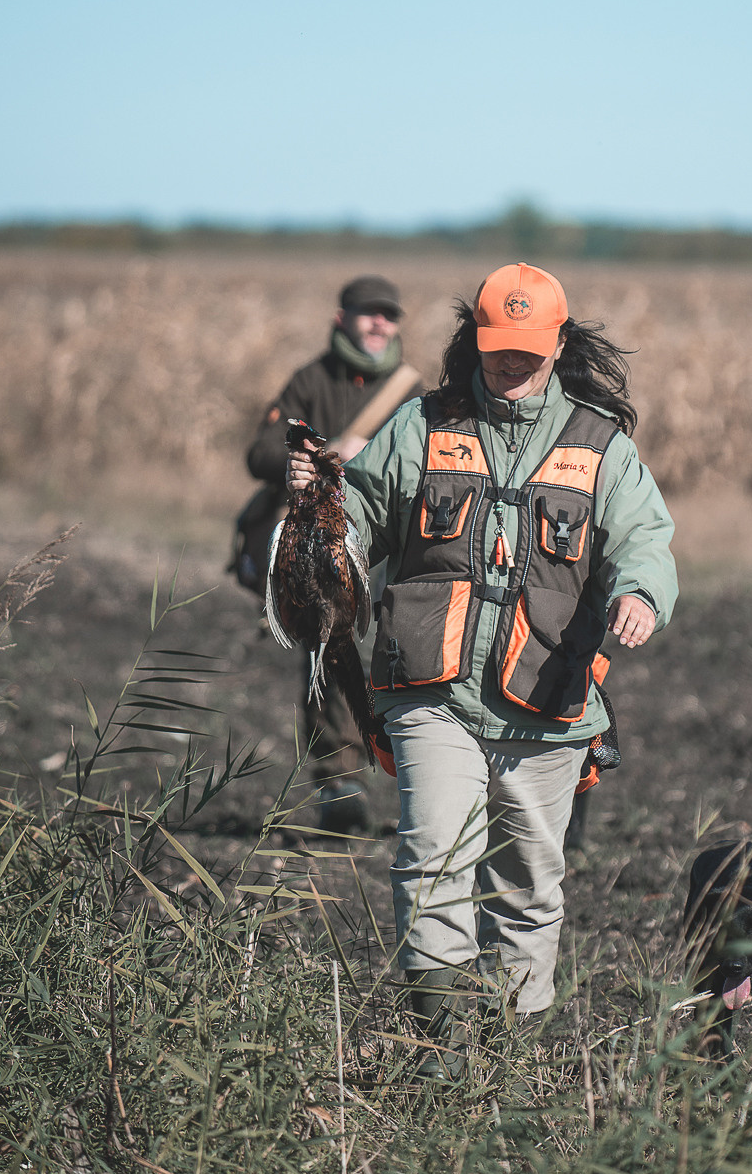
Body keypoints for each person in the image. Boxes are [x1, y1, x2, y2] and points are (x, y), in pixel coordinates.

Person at [287, 262, 678, 1078]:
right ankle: (441, 1052)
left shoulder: (599, 444)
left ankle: (503, 1061)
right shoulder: (421, 426)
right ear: (477, 340)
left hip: (548, 700)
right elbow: (356, 512)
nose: (510, 363)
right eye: (498, 347)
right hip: (431, 694)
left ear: (558, 343)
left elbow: (645, 537)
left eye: (529, 350)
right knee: (430, 856)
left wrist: (640, 593)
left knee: (529, 888)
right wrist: (321, 505)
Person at [246, 274, 424, 778]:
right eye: (368, 312)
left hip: (389, 543)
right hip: (321, 543)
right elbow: (259, 450)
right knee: (328, 648)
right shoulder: (311, 380)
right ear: (341, 318)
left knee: (404, 651)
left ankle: (414, 780)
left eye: (388, 314)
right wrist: (314, 456)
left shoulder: (414, 392)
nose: (379, 322)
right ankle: (339, 784)